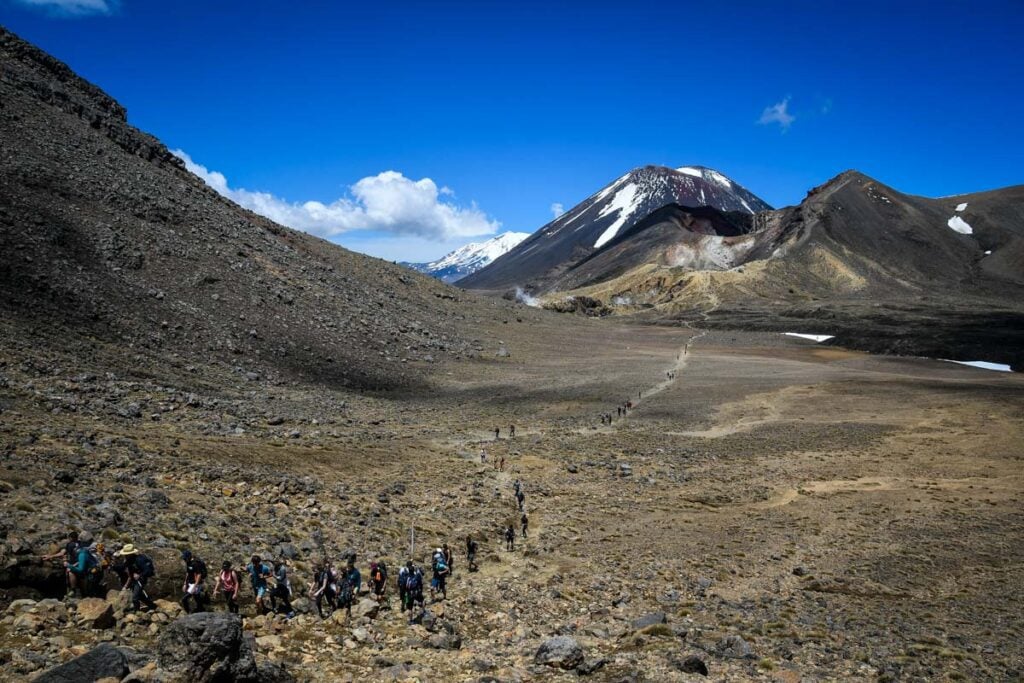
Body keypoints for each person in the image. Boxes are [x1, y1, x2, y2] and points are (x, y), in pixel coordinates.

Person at [116, 544, 157, 612]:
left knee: (135, 597)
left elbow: (147, 570)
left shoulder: (139, 560)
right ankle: (152, 606)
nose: (125, 556)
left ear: (131, 554)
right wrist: (113, 566)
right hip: (135, 579)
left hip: (141, 579)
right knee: (140, 596)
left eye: (126, 554)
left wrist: (139, 575)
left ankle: (137, 612)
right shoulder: (129, 560)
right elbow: (122, 567)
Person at [41, 530, 80, 598]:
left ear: (70, 538)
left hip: (76, 563)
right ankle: (70, 590)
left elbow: (63, 553)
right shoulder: (79, 544)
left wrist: (71, 565)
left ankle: (73, 590)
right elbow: (63, 553)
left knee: (70, 572)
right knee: (67, 572)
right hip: (74, 562)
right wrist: (50, 556)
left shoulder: (71, 544)